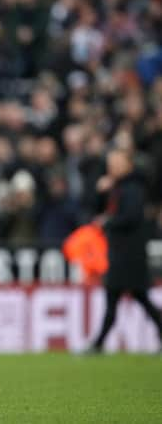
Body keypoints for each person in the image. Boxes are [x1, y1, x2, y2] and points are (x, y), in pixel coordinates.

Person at [88, 149, 162, 353]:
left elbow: (132, 216)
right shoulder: (118, 187)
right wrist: (100, 192)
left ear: (128, 164)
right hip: (120, 252)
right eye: (111, 163)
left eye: (117, 162)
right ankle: (98, 344)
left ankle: (98, 344)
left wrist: (107, 222)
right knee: (137, 299)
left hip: (130, 253)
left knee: (121, 298)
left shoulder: (133, 187)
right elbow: (94, 207)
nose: (112, 167)